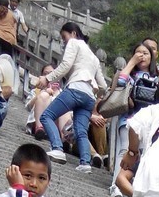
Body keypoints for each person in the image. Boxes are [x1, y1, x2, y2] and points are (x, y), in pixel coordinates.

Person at [35, 21, 108, 172]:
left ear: (73, 33)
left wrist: (47, 79)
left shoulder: (74, 43)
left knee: (46, 116)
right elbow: (103, 86)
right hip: (89, 97)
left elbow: (65, 65)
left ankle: (57, 148)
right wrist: (95, 95)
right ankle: (85, 163)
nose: (64, 41)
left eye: (64, 37)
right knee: (81, 130)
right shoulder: (94, 58)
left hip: (76, 88)